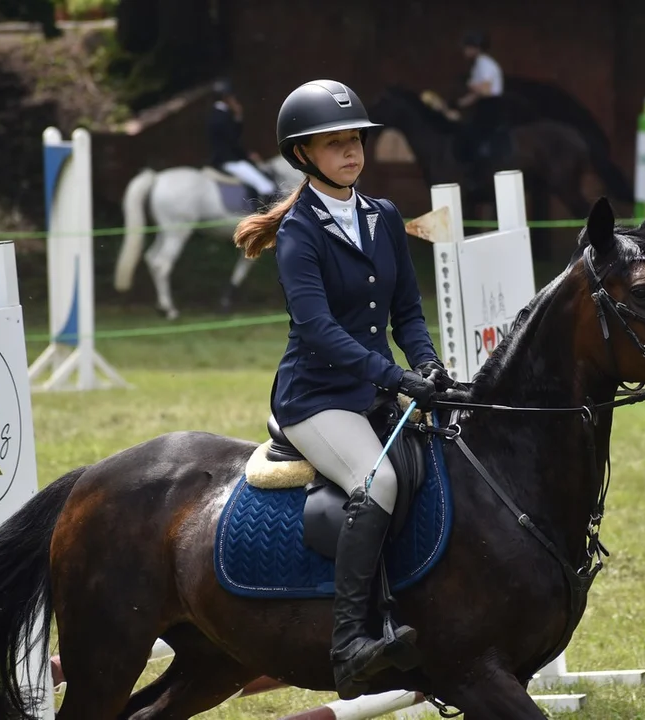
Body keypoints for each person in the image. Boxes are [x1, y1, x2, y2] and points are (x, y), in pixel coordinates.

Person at [233, 79, 455, 699]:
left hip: (377, 386)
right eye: (334, 145)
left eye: (355, 140)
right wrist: (393, 376)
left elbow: (408, 311)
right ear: (304, 155)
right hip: (316, 395)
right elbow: (319, 329)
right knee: (376, 481)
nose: (351, 153)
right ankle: (352, 641)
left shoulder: (383, 217)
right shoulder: (300, 232)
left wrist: (428, 364)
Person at [207, 78, 279, 206]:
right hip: (231, 160)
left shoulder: (218, 114)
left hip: (228, 158)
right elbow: (233, 140)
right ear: (226, 97)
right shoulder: (222, 116)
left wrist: (238, 117)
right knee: (266, 186)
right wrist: (248, 155)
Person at [455, 31, 507, 168]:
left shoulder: (485, 64)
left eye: (467, 47)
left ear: (476, 48)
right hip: (483, 104)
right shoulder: (478, 65)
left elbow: (485, 91)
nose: (464, 51)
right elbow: (476, 95)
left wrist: (469, 84)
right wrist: (459, 103)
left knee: (476, 135)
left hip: (491, 106)